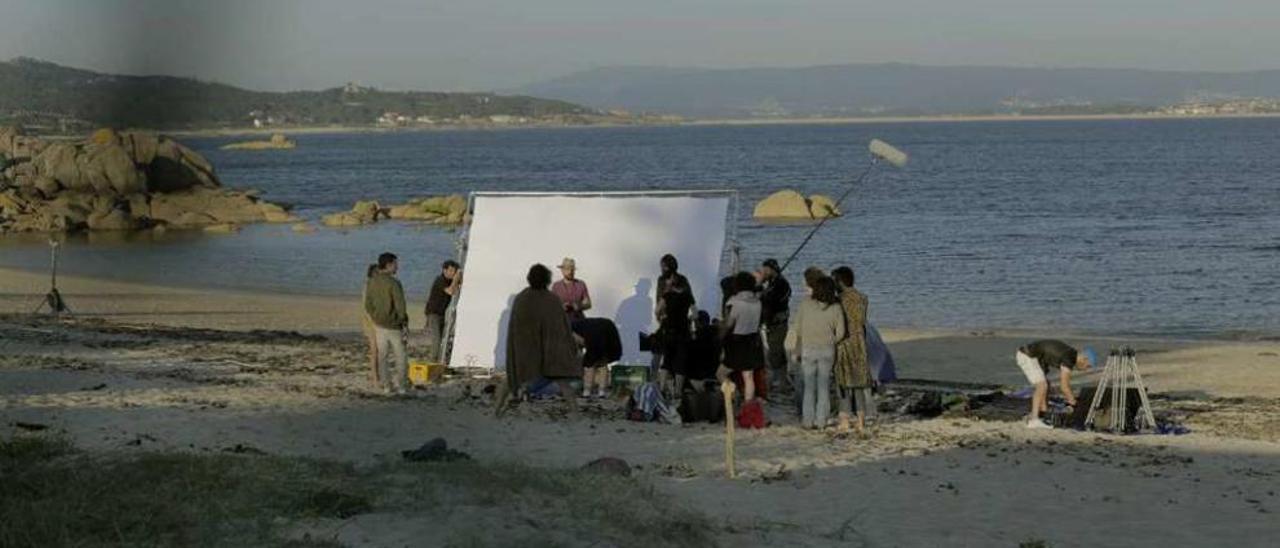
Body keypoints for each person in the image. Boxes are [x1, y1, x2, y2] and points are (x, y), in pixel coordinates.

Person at [498, 264, 583, 414]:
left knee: (512, 377)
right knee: (562, 379)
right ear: (547, 280)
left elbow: (516, 328)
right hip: (549, 350)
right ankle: (575, 412)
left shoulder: (521, 298)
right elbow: (561, 327)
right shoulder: (552, 300)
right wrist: (571, 342)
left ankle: (496, 410)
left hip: (525, 348)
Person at [786, 276, 846, 429]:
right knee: (824, 386)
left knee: (809, 387)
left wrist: (799, 345)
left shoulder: (806, 304)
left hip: (808, 348)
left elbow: (797, 327)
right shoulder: (836, 307)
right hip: (827, 349)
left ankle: (807, 420)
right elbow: (841, 332)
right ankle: (821, 421)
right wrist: (831, 340)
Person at [832, 266, 874, 436]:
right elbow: (862, 321)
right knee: (859, 383)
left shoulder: (838, 300)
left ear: (839, 281)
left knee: (842, 382)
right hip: (860, 341)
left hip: (844, 341)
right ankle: (861, 420)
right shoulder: (863, 298)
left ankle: (844, 420)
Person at [1016, 339, 1096, 429]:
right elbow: (1064, 386)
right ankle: (1034, 420)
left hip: (1037, 357)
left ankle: (1043, 416)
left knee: (1046, 385)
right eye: (1087, 366)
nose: (1085, 369)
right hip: (1028, 356)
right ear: (1084, 359)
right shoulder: (1070, 358)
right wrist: (1074, 404)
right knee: (1042, 386)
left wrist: (1071, 400)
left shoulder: (1070, 354)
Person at [365, 252, 410, 394]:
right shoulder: (394, 283)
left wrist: (375, 317)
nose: (397, 267)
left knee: (383, 356)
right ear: (389, 265)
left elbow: (368, 304)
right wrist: (403, 321)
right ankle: (402, 386)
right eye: (396, 264)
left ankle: (386, 386)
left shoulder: (372, 281)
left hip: (379, 324)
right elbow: (400, 306)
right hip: (393, 325)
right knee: (400, 356)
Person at [718, 272, 765, 403]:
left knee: (721, 373)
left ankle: (732, 394)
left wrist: (720, 337)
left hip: (737, 341)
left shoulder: (734, 302)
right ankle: (748, 406)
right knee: (748, 376)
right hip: (752, 340)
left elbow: (729, 324)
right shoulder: (757, 302)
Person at [656, 274, 695, 397]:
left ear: (672, 284)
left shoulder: (667, 296)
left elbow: (657, 310)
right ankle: (678, 391)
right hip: (683, 331)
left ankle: (662, 389)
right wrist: (687, 319)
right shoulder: (688, 297)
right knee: (680, 362)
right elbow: (695, 314)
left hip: (669, 331)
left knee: (666, 360)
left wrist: (661, 317)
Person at [759, 259, 792, 393]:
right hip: (773, 322)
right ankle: (782, 380)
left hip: (778, 322)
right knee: (777, 350)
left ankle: (777, 381)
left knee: (775, 351)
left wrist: (762, 292)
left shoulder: (780, 284)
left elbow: (772, 302)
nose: (763, 272)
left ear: (772, 269)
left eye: (765, 270)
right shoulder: (773, 283)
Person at [572, 317, 621, 398]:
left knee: (589, 364)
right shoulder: (576, 324)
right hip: (608, 327)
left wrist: (583, 351)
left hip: (594, 330)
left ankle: (587, 391)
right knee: (602, 362)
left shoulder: (568, 329)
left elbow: (581, 341)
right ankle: (602, 391)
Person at [423, 260, 461, 364]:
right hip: (433, 313)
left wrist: (458, 280)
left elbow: (457, 291)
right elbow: (451, 291)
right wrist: (456, 279)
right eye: (451, 271)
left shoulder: (449, 281)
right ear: (444, 270)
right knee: (437, 340)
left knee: (441, 339)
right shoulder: (440, 280)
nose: (453, 273)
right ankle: (433, 362)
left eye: (454, 271)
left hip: (441, 313)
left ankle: (439, 361)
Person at [551, 257, 592, 321]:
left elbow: (588, 304)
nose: (570, 271)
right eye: (567, 269)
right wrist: (561, 307)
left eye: (572, 269)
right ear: (562, 270)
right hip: (561, 322)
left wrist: (576, 306)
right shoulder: (556, 286)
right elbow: (551, 305)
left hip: (579, 321)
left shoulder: (581, 284)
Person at [361, 264, 381, 386]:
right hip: (371, 321)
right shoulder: (369, 286)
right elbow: (367, 307)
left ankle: (377, 375)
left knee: (378, 350)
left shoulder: (373, 285)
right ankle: (375, 377)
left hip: (375, 320)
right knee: (375, 350)